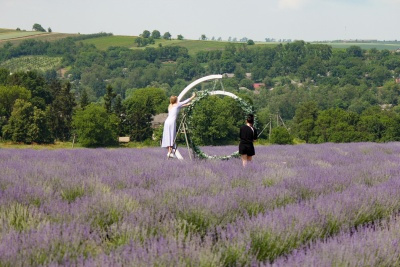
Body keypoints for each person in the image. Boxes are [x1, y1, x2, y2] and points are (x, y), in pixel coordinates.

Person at [161, 93, 196, 158]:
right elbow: (186, 101)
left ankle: (169, 151)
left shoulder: (170, 105)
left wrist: (187, 105)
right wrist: (193, 96)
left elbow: (182, 105)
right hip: (171, 122)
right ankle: (170, 152)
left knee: (168, 136)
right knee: (172, 136)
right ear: (176, 100)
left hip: (167, 122)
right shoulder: (177, 104)